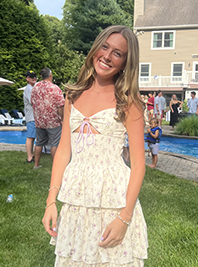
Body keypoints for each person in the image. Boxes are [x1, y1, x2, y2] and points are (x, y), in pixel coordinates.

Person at [42, 25, 148, 266]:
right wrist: (51, 201)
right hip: (76, 200)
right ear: (95, 48)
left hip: (114, 201)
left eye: (118, 53)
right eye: (105, 47)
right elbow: (64, 152)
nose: (108, 56)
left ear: (125, 63)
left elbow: (139, 165)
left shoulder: (129, 102)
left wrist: (125, 217)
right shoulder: (73, 95)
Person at [31, 68, 65, 169]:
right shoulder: (55, 88)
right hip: (53, 121)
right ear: (50, 75)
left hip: (39, 121)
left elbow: (32, 102)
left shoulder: (35, 87)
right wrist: (62, 118)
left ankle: (36, 164)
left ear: (41, 76)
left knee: (39, 142)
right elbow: (60, 105)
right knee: (55, 143)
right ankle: (56, 166)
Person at [23, 70, 37, 163]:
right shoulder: (28, 89)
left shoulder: (32, 88)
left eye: (35, 76)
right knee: (30, 137)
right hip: (31, 117)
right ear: (27, 78)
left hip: (34, 116)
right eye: (31, 77)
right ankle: (29, 157)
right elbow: (33, 101)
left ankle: (32, 155)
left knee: (33, 137)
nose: (34, 78)